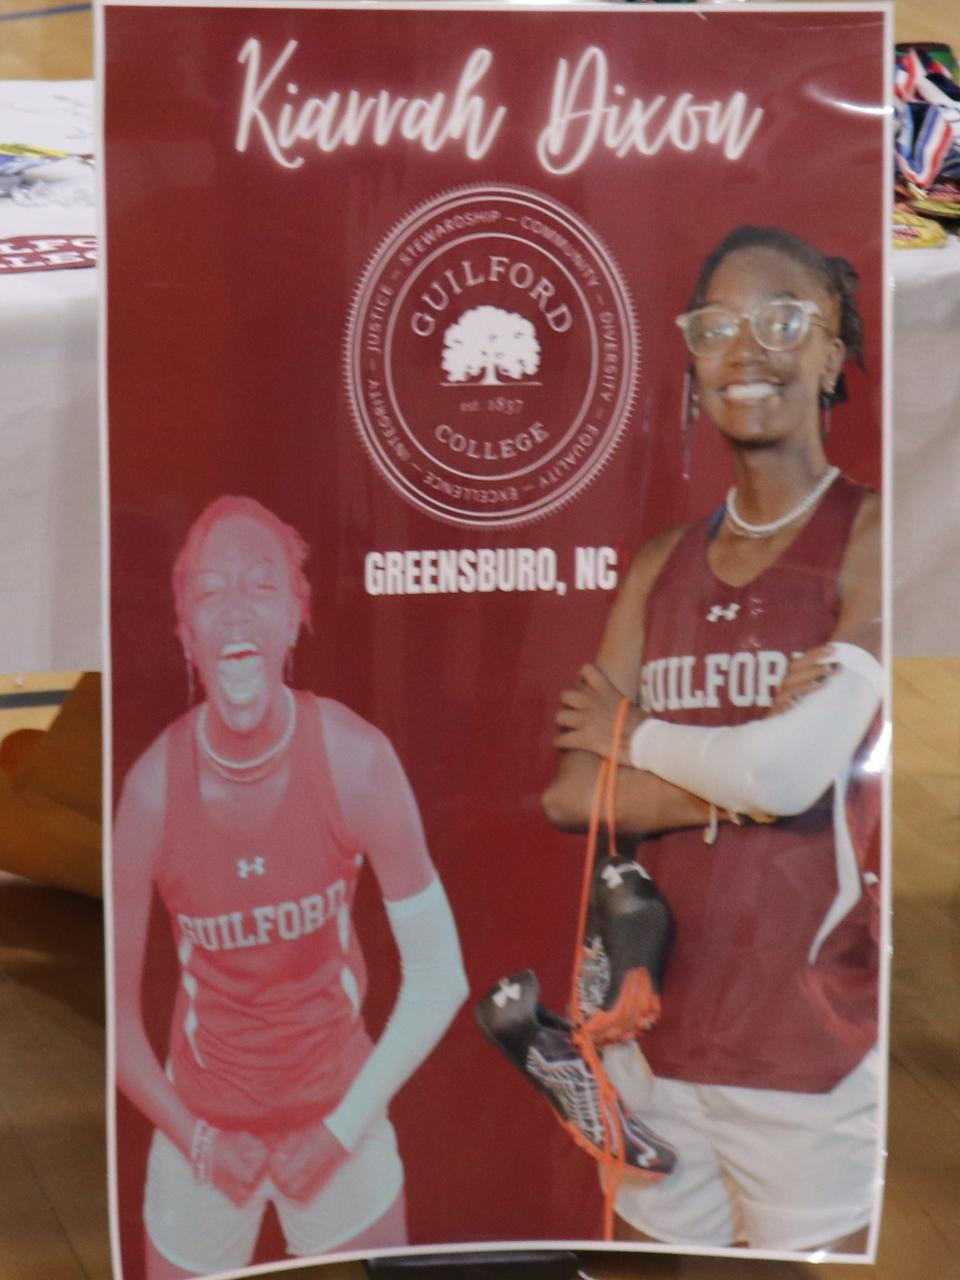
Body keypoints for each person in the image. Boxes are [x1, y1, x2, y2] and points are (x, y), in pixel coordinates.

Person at [543, 225, 883, 1255]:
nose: (749, 349)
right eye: (717, 326)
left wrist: (640, 735)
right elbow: (572, 791)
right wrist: (749, 781)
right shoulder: (659, 562)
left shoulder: (871, 536)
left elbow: (786, 772)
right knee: (652, 1264)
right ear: (691, 363)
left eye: (786, 320)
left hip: (807, 1036)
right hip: (658, 1025)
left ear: (832, 355)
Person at [113, 495, 468, 1279]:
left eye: (263, 586)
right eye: (210, 593)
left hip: (341, 1115)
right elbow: (114, 1025)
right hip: (200, 1129)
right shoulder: (148, 795)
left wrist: (339, 1133)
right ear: (186, 634)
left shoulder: (355, 759)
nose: (235, 607)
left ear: (295, 617)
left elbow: (441, 976)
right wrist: (199, 1139)